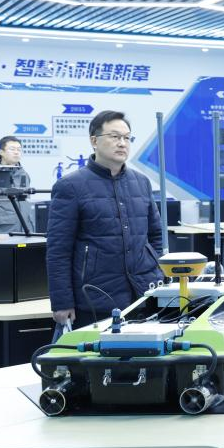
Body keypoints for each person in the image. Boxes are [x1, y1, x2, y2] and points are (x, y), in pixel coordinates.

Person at [46, 110, 164, 329]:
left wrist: (159, 276)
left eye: (127, 138)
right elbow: (58, 250)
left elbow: (156, 235)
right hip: (95, 298)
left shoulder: (141, 182)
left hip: (144, 294)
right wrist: (62, 302)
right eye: (114, 136)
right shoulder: (70, 186)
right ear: (94, 141)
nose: (122, 143)